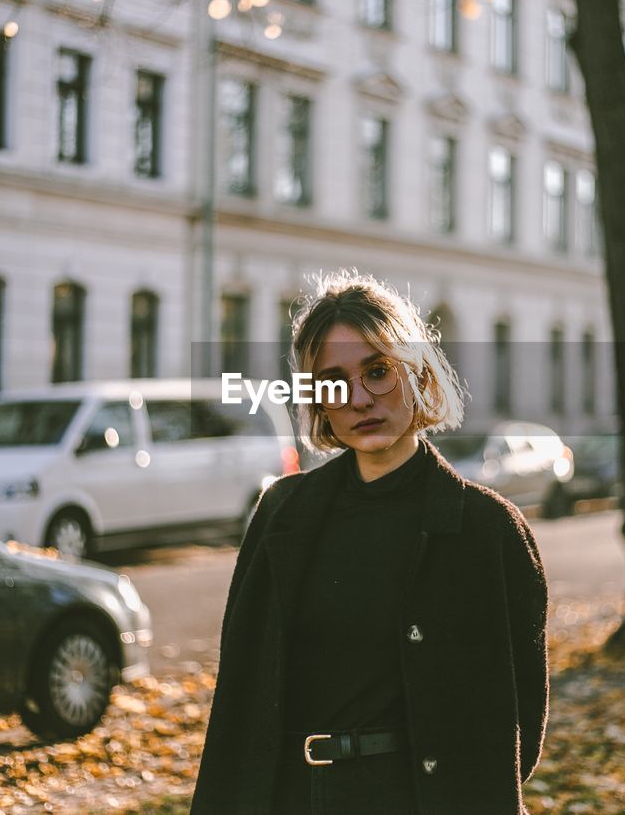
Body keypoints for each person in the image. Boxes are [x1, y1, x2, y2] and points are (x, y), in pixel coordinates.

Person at [191, 270, 549, 815]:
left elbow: (518, 728)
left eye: (378, 372)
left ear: (418, 372)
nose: (359, 398)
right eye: (333, 380)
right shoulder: (281, 516)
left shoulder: (488, 529)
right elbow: (241, 697)